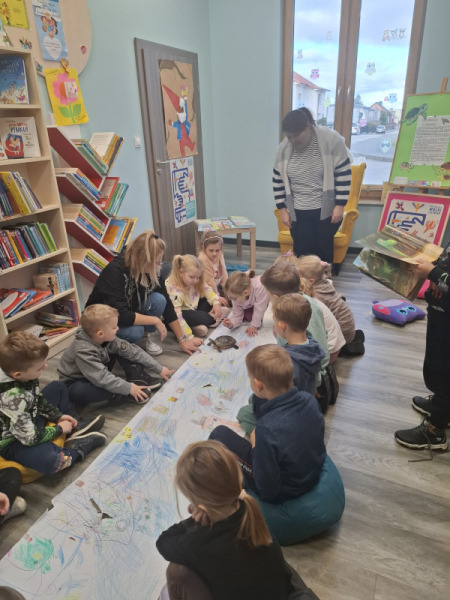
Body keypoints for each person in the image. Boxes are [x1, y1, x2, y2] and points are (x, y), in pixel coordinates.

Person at [156, 440, 320, 600]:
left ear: (201, 507)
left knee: (175, 571)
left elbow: (163, 542)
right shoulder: (251, 514)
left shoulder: (199, 544)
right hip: (276, 593)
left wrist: (195, 520)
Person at [210, 345, 326, 503]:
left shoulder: (265, 429)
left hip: (287, 489)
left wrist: (255, 445)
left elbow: (267, 490)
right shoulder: (309, 399)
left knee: (219, 435)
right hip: (311, 470)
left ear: (258, 385)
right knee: (258, 401)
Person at [0, 332, 106, 475]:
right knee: (53, 461)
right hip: (14, 442)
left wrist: (57, 416)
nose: (46, 366)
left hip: (27, 419)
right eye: (39, 368)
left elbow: (35, 398)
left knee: (58, 387)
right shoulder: (13, 398)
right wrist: (59, 429)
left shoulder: (21, 374)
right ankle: (79, 447)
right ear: (17, 374)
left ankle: (75, 425)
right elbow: (29, 438)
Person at [86, 230, 203, 357]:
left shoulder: (151, 270)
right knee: (136, 331)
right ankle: (118, 348)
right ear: (142, 260)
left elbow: (168, 305)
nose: (160, 265)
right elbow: (121, 315)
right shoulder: (114, 272)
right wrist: (155, 320)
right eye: (156, 262)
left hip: (129, 310)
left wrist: (183, 340)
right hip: (103, 323)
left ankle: (142, 340)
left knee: (159, 300)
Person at [237, 294, 325, 435]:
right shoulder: (314, 346)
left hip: (289, 417)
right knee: (252, 399)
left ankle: (266, 436)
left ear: (282, 326)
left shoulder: (284, 361)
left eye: (274, 320)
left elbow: (275, 398)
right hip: (306, 402)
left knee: (243, 414)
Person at [273, 107, 352, 262]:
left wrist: (340, 205)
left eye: (296, 135)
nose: (293, 140)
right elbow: (277, 180)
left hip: (325, 210)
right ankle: (303, 279)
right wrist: (282, 209)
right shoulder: (284, 149)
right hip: (298, 212)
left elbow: (343, 174)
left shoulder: (330, 140)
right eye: (289, 136)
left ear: (307, 126)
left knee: (323, 252)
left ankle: (325, 278)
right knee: (302, 254)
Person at [260, 261, 339, 412]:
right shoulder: (308, 301)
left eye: (267, 294)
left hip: (311, 382)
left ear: (276, 297)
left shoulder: (287, 320)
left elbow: (310, 359)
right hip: (319, 366)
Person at [58, 305, 174, 406]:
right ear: (100, 334)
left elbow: (134, 351)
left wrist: (159, 368)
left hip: (97, 371)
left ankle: (134, 378)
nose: (118, 329)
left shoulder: (107, 338)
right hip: (77, 381)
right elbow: (101, 378)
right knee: (79, 391)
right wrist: (129, 389)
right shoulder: (83, 350)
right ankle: (119, 394)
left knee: (124, 349)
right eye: (114, 327)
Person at [395, 245, 450, 451]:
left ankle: (435, 432)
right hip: (441, 312)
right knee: (436, 366)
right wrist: (433, 267)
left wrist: (433, 273)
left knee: (445, 372)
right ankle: (442, 405)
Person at [296, 254, 364, 356]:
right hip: (348, 328)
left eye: (298, 278)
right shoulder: (325, 282)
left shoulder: (317, 296)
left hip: (344, 335)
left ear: (311, 281)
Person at [165, 255, 224, 338]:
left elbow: (207, 290)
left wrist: (216, 303)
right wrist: (189, 336)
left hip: (193, 307)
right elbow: (177, 316)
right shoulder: (174, 291)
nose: (196, 280)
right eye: (192, 277)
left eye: (198, 277)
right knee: (201, 317)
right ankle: (210, 319)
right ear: (180, 272)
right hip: (178, 315)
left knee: (207, 301)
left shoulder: (196, 280)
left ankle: (198, 324)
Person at [223, 270, 269, 337]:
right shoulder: (236, 294)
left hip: (264, 301)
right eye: (229, 297)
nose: (230, 299)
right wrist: (231, 324)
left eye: (234, 298)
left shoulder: (260, 287)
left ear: (245, 293)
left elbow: (260, 308)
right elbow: (237, 315)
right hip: (250, 302)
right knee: (248, 316)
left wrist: (254, 326)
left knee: (263, 317)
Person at [197, 231, 229, 305]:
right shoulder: (203, 259)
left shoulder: (219, 254)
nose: (214, 253)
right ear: (203, 248)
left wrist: (228, 291)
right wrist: (217, 297)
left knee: (235, 295)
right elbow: (209, 282)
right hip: (206, 290)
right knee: (222, 306)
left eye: (217, 250)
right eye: (211, 250)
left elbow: (224, 274)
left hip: (216, 285)